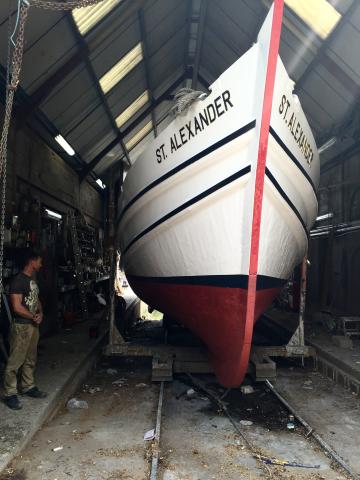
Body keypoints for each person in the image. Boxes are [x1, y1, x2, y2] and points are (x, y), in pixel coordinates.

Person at [3, 249, 47, 410]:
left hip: (32, 325)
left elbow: (37, 299)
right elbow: (16, 307)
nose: (41, 264)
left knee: (30, 359)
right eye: (39, 261)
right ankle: (10, 394)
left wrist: (40, 313)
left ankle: (28, 387)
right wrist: (32, 316)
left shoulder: (31, 280)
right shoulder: (18, 281)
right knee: (15, 361)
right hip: (21, 326)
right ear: (32, 261)